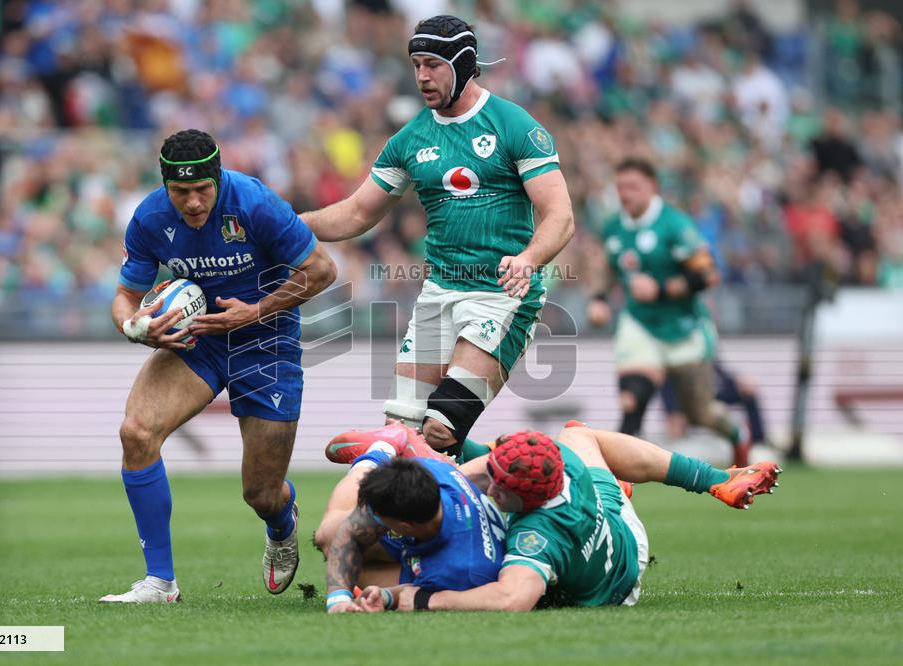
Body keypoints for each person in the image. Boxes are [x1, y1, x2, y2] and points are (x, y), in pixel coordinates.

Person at [301, 15, 574, 459]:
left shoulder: (513, 125)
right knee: (400, 434)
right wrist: (289, 223)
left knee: (441, 430)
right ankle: (512, 466)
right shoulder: (410, 139)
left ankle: (532, 471)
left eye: (432, 65)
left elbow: (560, 216)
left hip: (501, 297)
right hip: (438, 295)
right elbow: (356, 213)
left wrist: (528, 259)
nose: (422, 76)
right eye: (416, 65)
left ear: (463, 65)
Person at [101, 129, 337, 603]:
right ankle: (160, 582)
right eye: (180, 191)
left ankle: (281, 521)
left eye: (201, 189)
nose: (192, 202)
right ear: (165, 185)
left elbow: (322, 270)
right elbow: (126, 296)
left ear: (218, 177)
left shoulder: (255, 203)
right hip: (198, 342)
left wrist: (254, 311)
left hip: (266, 342)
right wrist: (134, 327)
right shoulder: (149, 218)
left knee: (261, 493)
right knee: (137, 433)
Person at [349, 422, 781, 612]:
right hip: (614, 519)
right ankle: (716, 479)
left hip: (615, 585)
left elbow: (512, 601)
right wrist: (440, 460)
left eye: (500, 489)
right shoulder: (555, 457)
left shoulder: (535, 537)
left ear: (527, 503)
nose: (491, 489)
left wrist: (421, 599)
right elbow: (487, 472)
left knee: (417, 570)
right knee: (576, 433)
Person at [587, 157, 751, 467]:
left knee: (700, 413)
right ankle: (619, 483)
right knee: (631, 400)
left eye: (633, 187)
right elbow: (609, 267)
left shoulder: (675, 225)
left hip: (683, 327)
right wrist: (599, 299)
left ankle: (737, 434)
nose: (625, 194)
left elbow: (708, 275)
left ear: (652, 187)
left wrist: (661, 290)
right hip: (640, 324)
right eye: (621, 187)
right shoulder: (612, 227)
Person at [314, 422, 507, 613]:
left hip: (453, 553)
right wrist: (338, 599)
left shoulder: (456, 573)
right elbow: (350, 532)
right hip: (441, 525)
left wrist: (388, 596)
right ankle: (381, 451)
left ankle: (383, 449)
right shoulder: (434, 475)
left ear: (404, 527)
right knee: (332, 537)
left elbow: (416, 594)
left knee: (337, 547)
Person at [660, 360, 772, 449]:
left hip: (711, 394)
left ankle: (757, 445)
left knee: (748, 392)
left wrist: (739, 381)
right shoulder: (673, 362)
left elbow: (720, 371)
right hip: (690, 399)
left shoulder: (704, 348)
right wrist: (673, 411)